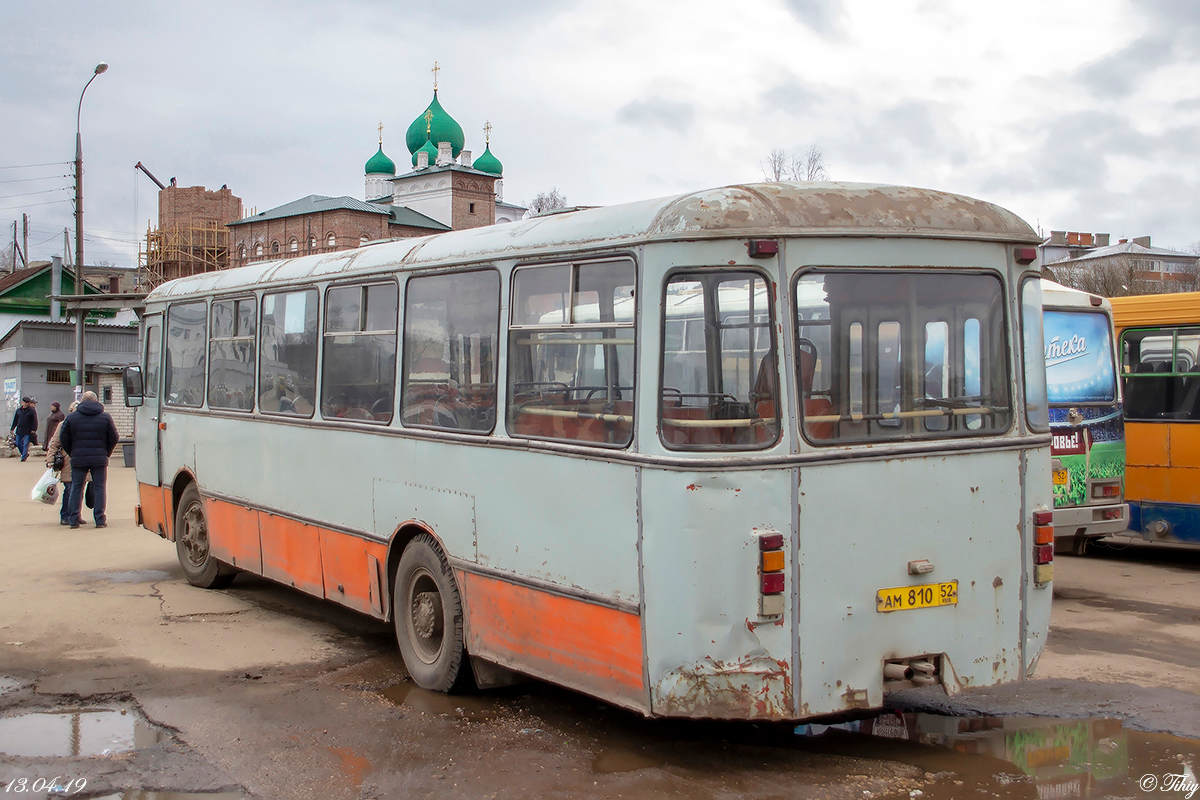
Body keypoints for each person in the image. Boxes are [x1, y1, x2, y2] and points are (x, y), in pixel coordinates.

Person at [59, 390, 119, 529]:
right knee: (100, 488)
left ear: (82, 401)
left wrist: (72, 452)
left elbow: (64, 438)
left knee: (76, 488)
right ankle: (100, 520)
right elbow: (114, 437)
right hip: (99, 459)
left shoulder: (72, 418)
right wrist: (106, 452)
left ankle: (73, 519)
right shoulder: (105, 417)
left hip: (78, 458)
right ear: (96, 401)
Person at [44, 402, 78, 526]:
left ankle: (75, 514)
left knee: (78, 490)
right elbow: (55, 443)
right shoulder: (63, 425)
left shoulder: (83, 423)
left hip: (81, 461)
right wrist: (50, 460)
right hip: (67, 461)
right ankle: (65, 515)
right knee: (69, 488)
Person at [8, 396, 38, 462]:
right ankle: (24, 454)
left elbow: (35, 421)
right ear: (22, 402)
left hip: (28, 431)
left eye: (28, 403)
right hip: (19, 430)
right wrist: (12, 428)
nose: (26, 404)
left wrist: (34, 429)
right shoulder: (18, 410)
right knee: (18, 443)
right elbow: (15, 420)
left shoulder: (32, 411)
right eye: (25, 402)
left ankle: (23, 457)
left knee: (25, 444)